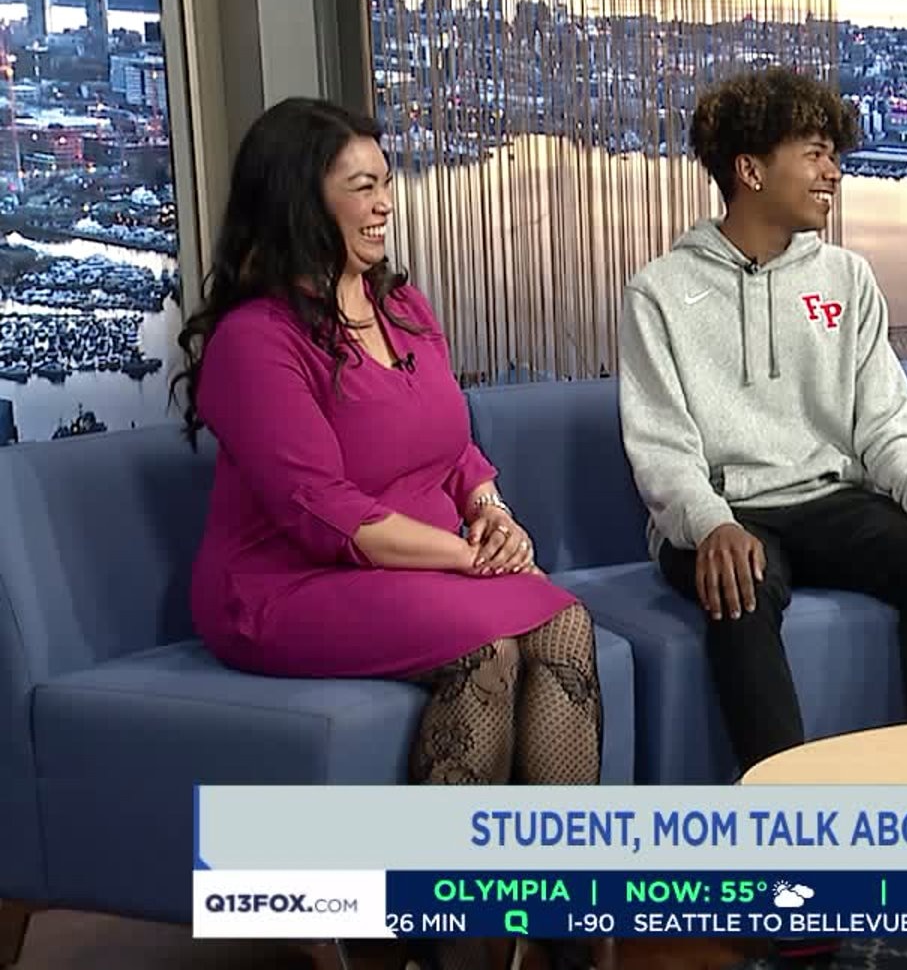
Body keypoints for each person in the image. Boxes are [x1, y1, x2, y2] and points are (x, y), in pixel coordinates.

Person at [173, 97, 603, 970]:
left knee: (563, 623)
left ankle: (558, 926)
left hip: (425, 563)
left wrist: (493, 511)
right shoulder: (256, 341)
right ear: (302, 198)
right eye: (361, 186)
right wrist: (470, 558)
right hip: (287, 585)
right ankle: (438, 937)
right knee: (487, 645)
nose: (385, 203)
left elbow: (452, 444)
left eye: (385, 181)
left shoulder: (400, 305)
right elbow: (320, 510)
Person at [617, 66, 907, 775]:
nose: (832, 173)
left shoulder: (848, 279)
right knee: (739, 583)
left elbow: (884, 418)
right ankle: (784, 804)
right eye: (814, 154)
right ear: (750, 170)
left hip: (829, 499)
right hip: (726, 511)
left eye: (833, 155)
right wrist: (709, 523)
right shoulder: (658, 293)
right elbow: (661, 447)